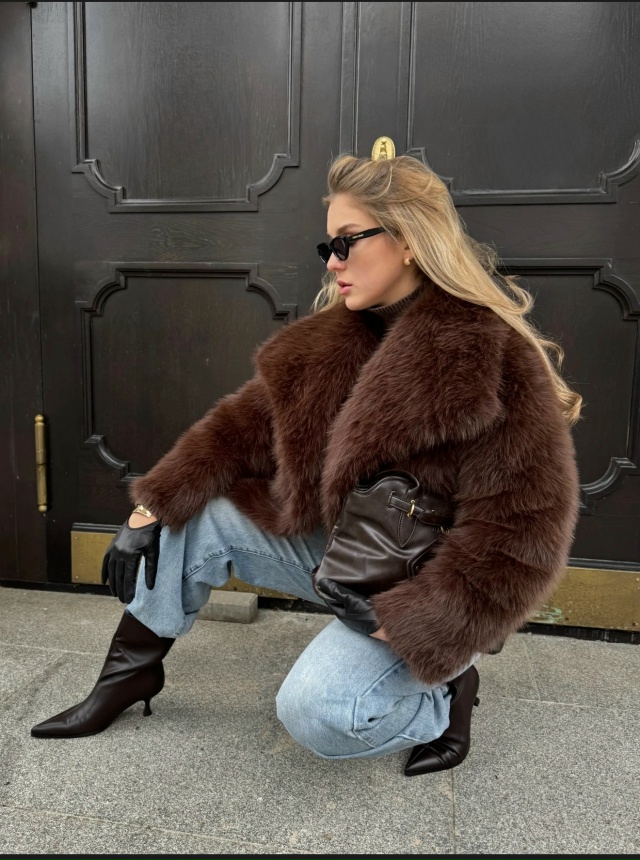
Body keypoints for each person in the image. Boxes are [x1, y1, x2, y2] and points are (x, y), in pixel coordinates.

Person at [31, 144, 581, 777]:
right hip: (349, 555)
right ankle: (128, 676)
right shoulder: (330, 340)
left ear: (408, 240)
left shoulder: (490, 356)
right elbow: (239, 429)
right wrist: (149, 509)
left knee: (319, 713)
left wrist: (414, 625)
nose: (333, 261)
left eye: (347, 241)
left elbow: (523, 529)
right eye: (328, 245)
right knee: (192, 516)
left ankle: (447, 694)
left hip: (423, 587)